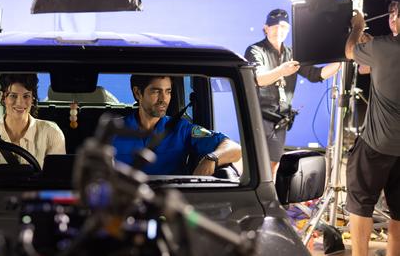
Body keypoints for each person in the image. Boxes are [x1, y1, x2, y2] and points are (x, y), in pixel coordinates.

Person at [244, 9, 340, 176]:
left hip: (280, 120)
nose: (279, 31)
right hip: (258, 117)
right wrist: (281, 70)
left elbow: (316, 74)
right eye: (274, 27)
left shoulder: (292, 54)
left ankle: (268, 197)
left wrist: (342, 60)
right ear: (265, 28)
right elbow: (259, 79)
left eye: (283, 27)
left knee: (273, 166)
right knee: (253, 165)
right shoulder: (255, 50)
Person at [344, 10, 400, 256]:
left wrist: (357, 27)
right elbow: (373, 67)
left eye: (394, 12)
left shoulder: (386, 46)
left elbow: (350, 52)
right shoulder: (383, 48)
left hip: (377, 145)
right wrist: (370, 42)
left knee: (360, 206)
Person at [112, 75, 241, 175]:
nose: (164, 99)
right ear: (138, 93)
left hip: (171, 202)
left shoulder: (182, 129)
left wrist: (212, 158)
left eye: (168, 92)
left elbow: (235, 148)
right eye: (156, 91)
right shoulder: (114, 130)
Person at [0, 73, 66, 168]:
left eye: (26, 96)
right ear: (3, 97)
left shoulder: (52, 133)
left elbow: (57, 180)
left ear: (33, 98)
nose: (20, 103)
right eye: (13, 96)